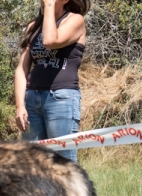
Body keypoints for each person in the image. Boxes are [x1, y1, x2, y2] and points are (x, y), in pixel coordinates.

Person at [14, 0, 90, 162]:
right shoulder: (33, 27)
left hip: (61, 99)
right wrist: (20, 105)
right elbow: (21, 69)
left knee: (63, 162)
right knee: (31, 162)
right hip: (31, 99)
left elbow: (50, 41)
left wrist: (49, 7)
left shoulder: (75, 20)